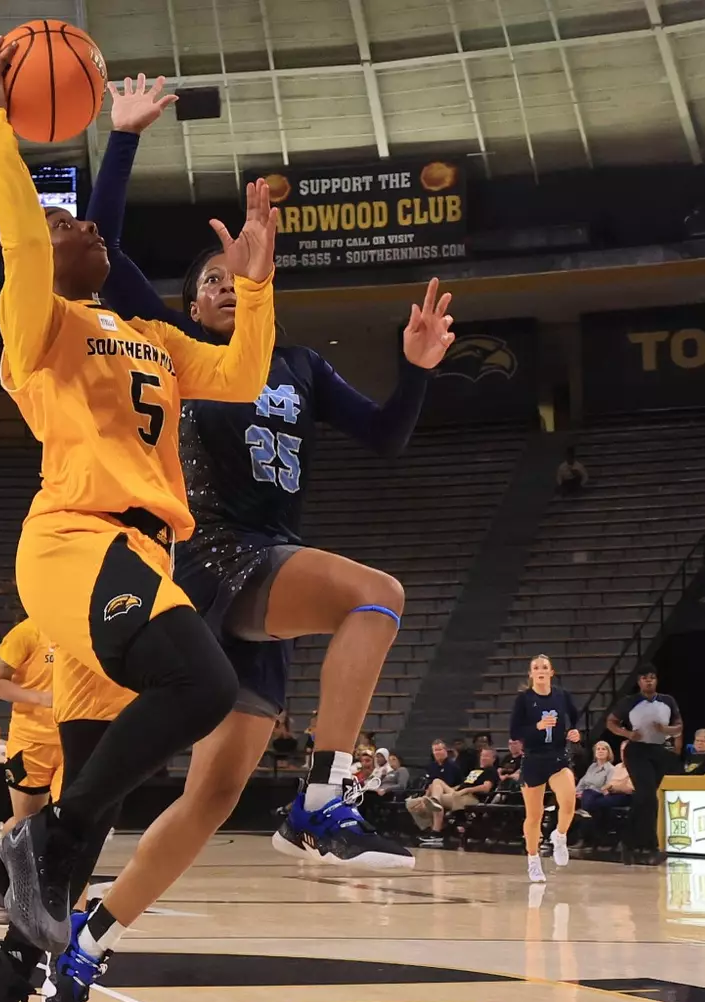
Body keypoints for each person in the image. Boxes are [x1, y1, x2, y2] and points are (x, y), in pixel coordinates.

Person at [0, 41, 281, 1002]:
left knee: (101, 802)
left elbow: (240, 369)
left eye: (81, 219)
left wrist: (258, 276)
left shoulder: (141, 331)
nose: (82, 224)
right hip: (74, 539)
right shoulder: (35, 324)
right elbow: (19, 229)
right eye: (62, 225)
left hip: (141, 550)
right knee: (204, 683)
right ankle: (35, 845)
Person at [86, 75, 445, 877]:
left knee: (212, 799)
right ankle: (323, 797)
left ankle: (85, 941)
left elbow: (385, 438)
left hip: (270, 563)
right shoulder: (179, 348)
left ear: (261, 278)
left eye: (232, 272)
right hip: (214, 555)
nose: (218, 284)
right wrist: (125, 136)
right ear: (189, 304)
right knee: (377, 593)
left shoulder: (304, 366)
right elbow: (104, 252)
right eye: (205, 279)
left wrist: (415, 368)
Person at [509, 655, 582, 882]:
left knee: (569, 802)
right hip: (533, 759)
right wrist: (537, 726)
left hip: (558, 757)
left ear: (552, 672)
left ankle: (559, 836)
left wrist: (574, 732)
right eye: (536, 668)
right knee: (534, 815)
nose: (540, 670)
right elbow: (514, 732)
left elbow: (576, 717)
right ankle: (533, 859)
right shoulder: (524, 699)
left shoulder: (561, 695)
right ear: (530, 674)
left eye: (544, 667)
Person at [0, 619, 60, 831]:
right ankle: (4, 861)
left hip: (72, 739)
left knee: (68, 819)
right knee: (26, 825)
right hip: (31, 742)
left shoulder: (79, 630)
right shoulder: (26, 632)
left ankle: (55, 865)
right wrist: (39, 697)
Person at [605, 665, 682, 861]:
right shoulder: (629, 702)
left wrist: (666, 730)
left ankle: (628, 842)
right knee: (648, 797)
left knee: (644, 799)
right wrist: (628, 733)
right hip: (637, 751)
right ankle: (651, 847)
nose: (649, 681)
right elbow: (611, 722)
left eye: (652, 677)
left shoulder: (668, 701)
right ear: (639, 681)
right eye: (645, 678)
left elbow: (679, 727)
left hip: (658, 751)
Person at [406, 745, 499, 840]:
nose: (483, 758)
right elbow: (464, 784)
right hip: (458, 793)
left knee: (433, 801)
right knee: (412, 802)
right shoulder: (476, 770)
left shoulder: (491, 771)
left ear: (493, 759)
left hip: (470, 797)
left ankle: (436, 832)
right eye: (482, 755)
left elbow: (486, 787)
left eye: (486, 756)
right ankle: (433, 826)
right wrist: (455, 789)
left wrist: (466, 790)